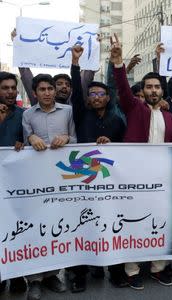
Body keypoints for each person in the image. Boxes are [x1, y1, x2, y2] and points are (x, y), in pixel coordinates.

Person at [110, 33, 172, 289]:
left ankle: (159, 268)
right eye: (148, 87)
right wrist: (118, 63)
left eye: (157, 87)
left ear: (162, 91)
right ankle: (132, 269)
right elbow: (123, 89)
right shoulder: (134, 108)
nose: (153, 90)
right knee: (133, 223)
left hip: (162, 179)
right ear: (143, 91)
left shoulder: (170, 117)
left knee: (159, 221)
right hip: (134, 178)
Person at [66, 45, 127, 293]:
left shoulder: (117, 117)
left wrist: (112, 145)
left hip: (110, 181)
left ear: (108, 97)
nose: (95, 97)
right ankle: (80, 274)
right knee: (83, 225)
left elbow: (127, 146)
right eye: (91, 94)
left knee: (112, 224)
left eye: (100, 93)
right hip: (84, 179)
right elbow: (77, 92)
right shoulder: (81, 113)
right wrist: (75, 63)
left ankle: (114, 270)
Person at [22, 73, 77, 300]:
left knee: (58, 225)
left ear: (56, 91)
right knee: (35, 227)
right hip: (36, 180)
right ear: (35, 93)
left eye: (50, 89)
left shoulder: (69, 112)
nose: (47, 93)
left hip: (63, 179)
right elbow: (23, 144)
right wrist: (31, 138)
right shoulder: (27, 115)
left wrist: (66, 139)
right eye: (42, 89)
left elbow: (76, 139)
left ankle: (53, 274)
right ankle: (34, 279)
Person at [0, 72, 27, 294]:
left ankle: (18, 276)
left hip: (16, 183)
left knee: (16, 230)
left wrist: (25, 144)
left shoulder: (23, 115)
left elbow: (31, 141)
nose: (10, 92)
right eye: (5, 88)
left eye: (13, 88)